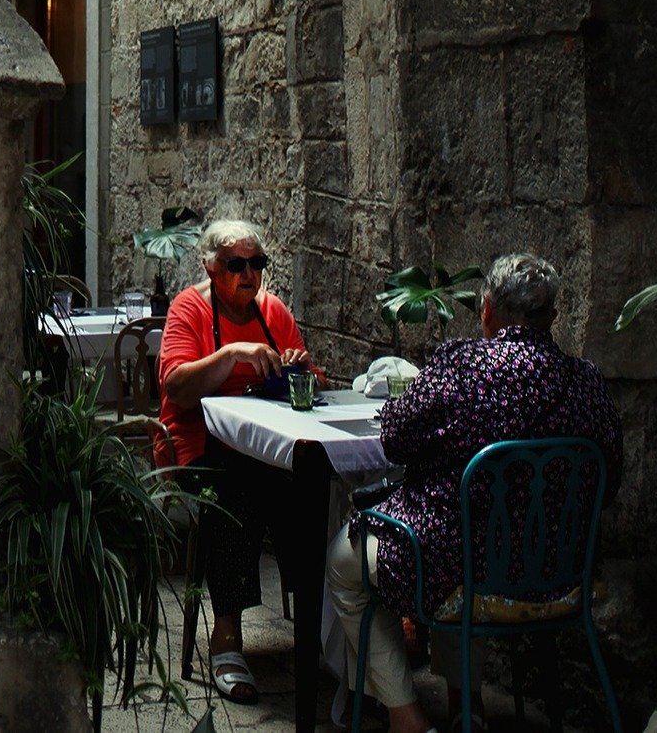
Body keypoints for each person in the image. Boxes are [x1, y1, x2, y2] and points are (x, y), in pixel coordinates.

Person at [326, 252, 624, 733]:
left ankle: (407, 718)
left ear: (486, 309)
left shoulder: (463, 367)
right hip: (559, 576)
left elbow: (395, 437)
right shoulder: (586, 381)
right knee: (472, 542)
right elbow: (609, 479)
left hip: (461, 572)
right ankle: (469, 706)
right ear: (551, 316)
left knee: (348, 563)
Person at [156, 217, 312, 703]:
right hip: (197, 445)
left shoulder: (272, 310)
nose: (249, 275)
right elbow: (175, 386)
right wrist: (232, 356)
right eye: (236, 265)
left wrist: (297, 370)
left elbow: (311, 375)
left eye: (256, 264)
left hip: (264, 447)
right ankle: (226, 636)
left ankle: (322, 629)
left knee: (310, 490)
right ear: (210, 267)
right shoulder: (190, 309)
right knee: (233, 490)